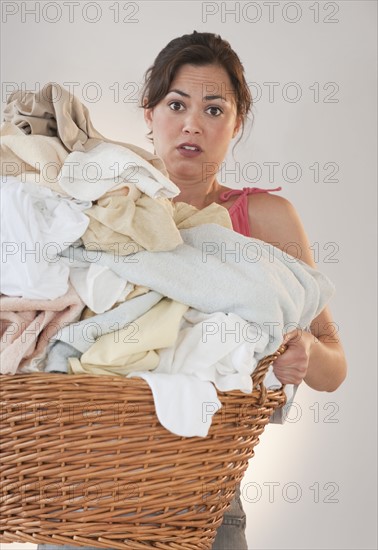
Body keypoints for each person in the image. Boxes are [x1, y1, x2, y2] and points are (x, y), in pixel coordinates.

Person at [37, 30, 347, 550]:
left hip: (204, 503)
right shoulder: (100, 204)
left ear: (237, 123)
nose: (192, 124)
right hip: (85, 492)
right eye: (176, 104)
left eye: (214, 109)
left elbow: (334, 365)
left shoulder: (265, 220)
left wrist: (306, 352)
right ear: (149, 113)